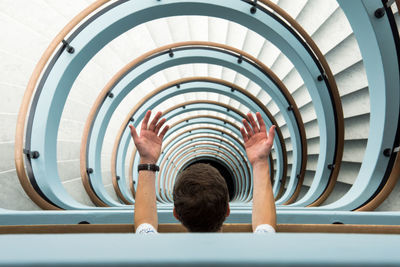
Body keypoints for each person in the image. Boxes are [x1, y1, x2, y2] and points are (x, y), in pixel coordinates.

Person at [129, 110, 276, 234]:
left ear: (175, 214)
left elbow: (145, 224)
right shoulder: (261, 249)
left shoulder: (151, 251)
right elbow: (265, 227)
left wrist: (147, 159)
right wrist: (260, 162)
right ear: (228, 211)